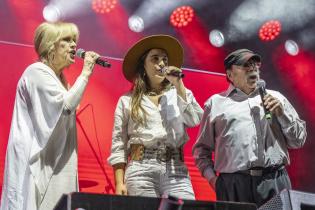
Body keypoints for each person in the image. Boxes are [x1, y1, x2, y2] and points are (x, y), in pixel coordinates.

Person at [0, 22, 100, 210]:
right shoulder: (37, 72)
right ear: (50, 45)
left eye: (74, 40)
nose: (74, 45)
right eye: (67, 40)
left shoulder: (59, 79)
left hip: (57, 159)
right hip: (38, 159)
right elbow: (66, 106)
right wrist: (86, 73)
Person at [193, 49, 307, 207]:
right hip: (233, 185)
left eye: (255, 64)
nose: (252, 68)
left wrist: (282, 114)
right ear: (230, 74)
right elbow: (201, 151)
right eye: (245, 65)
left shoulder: (277, 98)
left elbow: (298, 141)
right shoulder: (215, 104)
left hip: (274, 180)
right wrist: (214, 180)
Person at [108, 35, 203, 200]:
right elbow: (119, 143)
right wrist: (119, 182)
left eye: (165, 60)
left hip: (175, 170)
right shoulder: (127, 100)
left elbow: (195, 120)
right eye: (155, 59)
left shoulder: (179, 93)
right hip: (140, 170)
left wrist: (179, 84)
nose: (161, 64)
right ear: (143, 66)